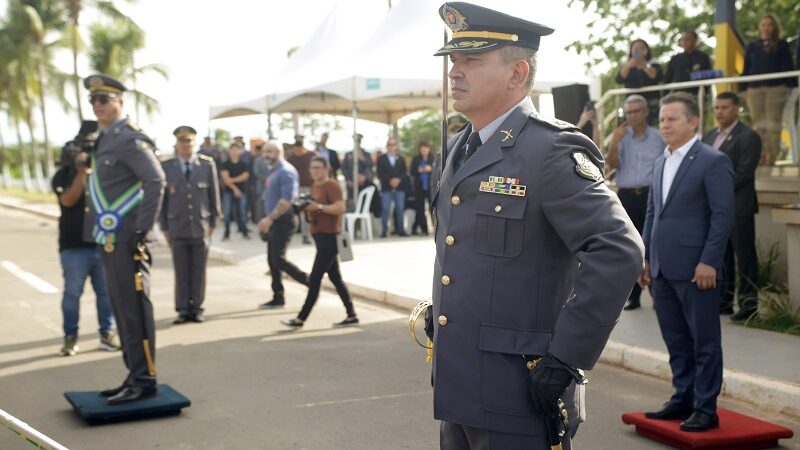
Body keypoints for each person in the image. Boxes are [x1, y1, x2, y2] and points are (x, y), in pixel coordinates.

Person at [430, 4, 644, 449]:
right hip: (459, 383)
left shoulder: (550, 149)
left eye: (472, 60)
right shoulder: (459, 147)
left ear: (517, 72)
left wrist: (567, 357)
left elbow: (617, 249)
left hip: (518, 389)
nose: (455, 71)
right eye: (453, 59)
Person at [639, 92, 734, 432]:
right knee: (676, 340)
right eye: (662, 119)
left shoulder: (712, 160)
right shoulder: (660, 161)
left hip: (697, 269)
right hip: (662, 268)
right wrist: (646, 257)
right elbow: (653, 213)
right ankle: (683, 397)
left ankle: (706, 408)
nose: (664, 125)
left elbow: (722, 216)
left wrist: (709, 261)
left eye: (672, 119)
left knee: (704, 342)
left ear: (693, 122)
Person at [82, 74, 166, 404]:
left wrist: (140, 231)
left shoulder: (130, 138)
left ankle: (145, 380)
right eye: (93, 100)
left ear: (120, 101)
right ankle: (134, 374)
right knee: (121, 308)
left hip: (128, 240)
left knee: (134, 310)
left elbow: (156, 181)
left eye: (104, 99)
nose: (97, 105)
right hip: (111, 239)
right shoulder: (106, 138)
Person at [52, 141, 120, 356]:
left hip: (102, 243)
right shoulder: (63, 175)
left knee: (106, 292)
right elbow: (68, 200)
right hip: (73, 247)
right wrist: (81, 173)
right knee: (72, 293)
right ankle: (70, 337)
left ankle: (107, 334)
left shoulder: (103, 174)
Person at [702, 92, 762, 320]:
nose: (719, 112)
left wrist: (713, 188)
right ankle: (724, 302)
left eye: (725, 107)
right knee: (722, 255)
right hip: (714, 209)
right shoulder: (708, 136)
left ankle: (748, 307)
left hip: (739, 207)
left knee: (745, 257)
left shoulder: (749, 137)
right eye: (717, 108)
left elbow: (744, 173)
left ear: (737, 109)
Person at [280, 156, 358, 328]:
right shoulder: (315, 186)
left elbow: (341, 207)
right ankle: (352, 315)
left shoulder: (332, 185)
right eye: (312, 168)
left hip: (330, 238)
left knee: (315, 279)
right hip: (319, 237)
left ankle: (300, 319)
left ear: (326, 169)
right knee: (336, 279)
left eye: (318, 168)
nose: (314, 171)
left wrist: (319, 207)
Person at [606, 94, 665, 310]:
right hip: (627, 195)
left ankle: (657, 294)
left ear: (646, 112)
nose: (632, 116)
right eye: (628, 112)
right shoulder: (621, 137)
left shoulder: (659, 137)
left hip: (652, 194)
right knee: (630, 246)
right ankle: (633, 295)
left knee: (653, 243)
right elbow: (611, 166)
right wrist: (614, 142)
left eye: (636, 111)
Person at [160, 126, 221, 324]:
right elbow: (163, 201)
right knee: (181, 270)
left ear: (195, 143)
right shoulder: (167, 167)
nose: (185, 145)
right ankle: (183, 309)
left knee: (199, 270)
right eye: (182, 141)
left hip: (200, 225)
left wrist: (214, 222)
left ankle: (197, 307)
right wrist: (164, 227)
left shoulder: (206, 165)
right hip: (177, 226)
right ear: (176, 144)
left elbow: (214, 195)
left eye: (189, 141)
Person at [257, 140, 309, 309]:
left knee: (278, 260)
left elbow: (287, 200)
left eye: (270, 151)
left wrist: (269, 219)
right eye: (265, 151)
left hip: (284, 221)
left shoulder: (286, 172)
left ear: (279, 152)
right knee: (272, 261)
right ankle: (278, 297)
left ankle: (309, 281)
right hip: (274, 221)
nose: (266, 155)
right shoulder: (273, 171)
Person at [740, 13, 796, 166]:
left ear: (774, 27)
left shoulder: (782, 45)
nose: (766, 28)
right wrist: (743, 88)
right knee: (757, 124)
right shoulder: (752, 46)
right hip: (754, 88)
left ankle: (771, 157)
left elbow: (788, 66)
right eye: (763, 25)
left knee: (773, 123)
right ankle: (759, 157)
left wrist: (791, 86)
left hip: (776, 88)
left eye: (769, 25)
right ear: (760, 27)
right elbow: (746, 68)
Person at [615, 38, 664, 125]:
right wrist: (629, 65)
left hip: (651, 102)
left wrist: (644, 64)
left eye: (641, 48)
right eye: (635, 48)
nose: (638, 51)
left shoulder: (654, 64)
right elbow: (619, 79)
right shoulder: (626, 66)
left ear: (647, 50)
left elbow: (655, 76)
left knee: (654, 125)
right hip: (632, 103)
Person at [286, 135, 315, 244]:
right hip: (296, 188)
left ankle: (307, 234)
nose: (298, 151)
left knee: (308, 211)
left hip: (310, 187)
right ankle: (301, 234)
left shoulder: (311, 156)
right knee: (297, 211)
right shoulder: (290, 158)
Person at [377, 138, 408, 237]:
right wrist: (390, 181)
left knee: (400, 209)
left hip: (399, 188)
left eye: (393, 144)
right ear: (387, 146)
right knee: (385, 209)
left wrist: (398, 180)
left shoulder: (401, 158)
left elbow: (404, 173)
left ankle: (401, 230)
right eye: (390, 144)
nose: (392, 146)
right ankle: (384, 231)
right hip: (387, 188)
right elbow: (380, 173)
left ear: (396, 146)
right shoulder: (381, 159)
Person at [664, 30, 712, 94]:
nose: (684, 42)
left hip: (697, 94)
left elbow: (709, 77)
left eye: (687, 39)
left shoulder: (703, 57)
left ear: (695, 41)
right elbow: (667, 79)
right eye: (683, 39)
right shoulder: (675, 59)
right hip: (678, 94)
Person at [220, 142, 251, 240]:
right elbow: (225, 179)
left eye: (236, 150)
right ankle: (226, 233)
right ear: (229, 151)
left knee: (242, 213)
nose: (234, 152)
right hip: (228, 192)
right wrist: (235, 189)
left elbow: (245, 177)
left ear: (240, 151)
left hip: (242, 191)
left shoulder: (244, 164)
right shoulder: (225, 164)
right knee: (227, 213)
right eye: (232, 150)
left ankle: (244, 231)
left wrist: (231, 180)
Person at [342, 134, 375, 208]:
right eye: (356, 141)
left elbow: (370, 165)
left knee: (364, 203)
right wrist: (348, 180)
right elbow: (344, 168)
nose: (357, 143)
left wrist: (362, 158)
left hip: (364, 184)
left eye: (358, 141)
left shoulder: (366, 154)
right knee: (351, 204)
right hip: (352, 184)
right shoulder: (348, 154)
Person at [410, 140, 434, 236]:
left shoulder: (433, 158)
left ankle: (435, 227)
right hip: (419, 187)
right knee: (420, 208)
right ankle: (424, 229)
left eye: (426, 149)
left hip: (430, 187)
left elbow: (439, 171)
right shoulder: (416, 159)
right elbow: (412, 172)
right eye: (422, 150)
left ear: (429, 149)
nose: (424, 151)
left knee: (432, 207)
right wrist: (418, 170)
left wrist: (430, 169)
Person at [252, 144, 271, 222]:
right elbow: (257, 172)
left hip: (271, 187)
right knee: (260, 205)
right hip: (261, 186)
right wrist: (267, 179)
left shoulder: (272, 159)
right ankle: (259, 221)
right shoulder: (258, 160)